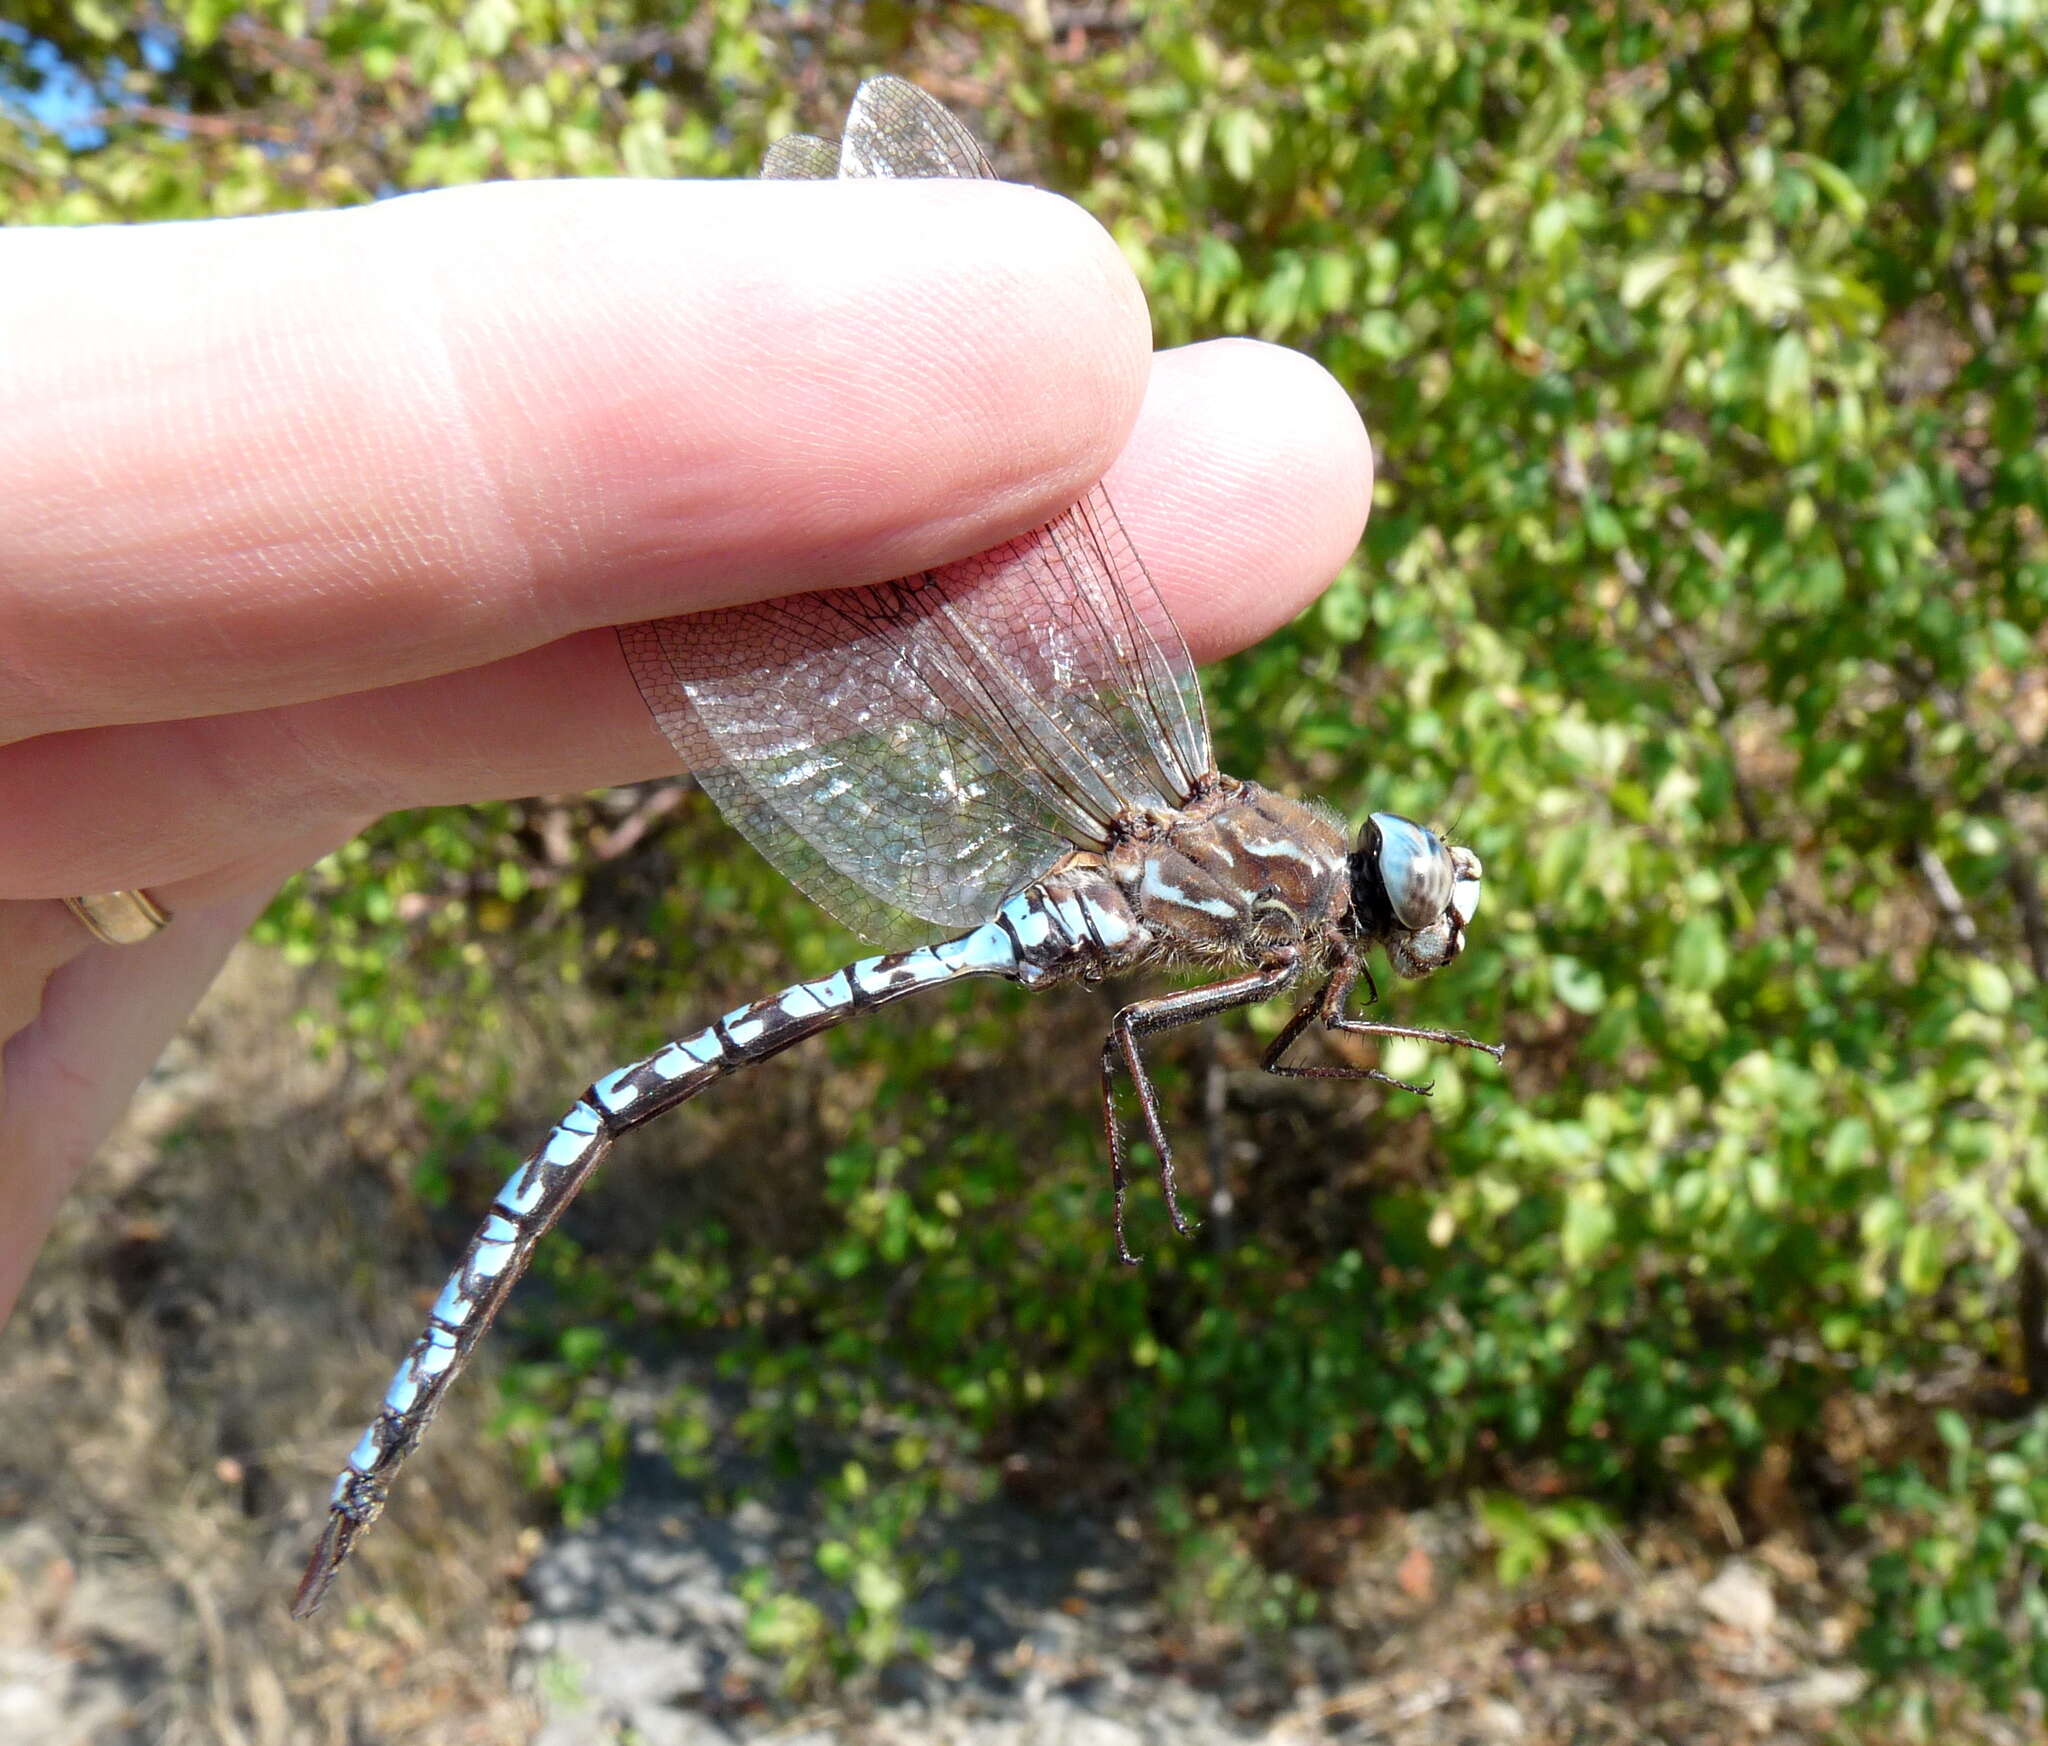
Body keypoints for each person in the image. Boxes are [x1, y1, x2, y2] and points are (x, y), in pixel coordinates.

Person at [0, 171, 1375, 1325]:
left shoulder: (1284, 914)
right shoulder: (1262, 878)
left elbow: (1254, 1022)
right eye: (1385, 895)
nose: (1374, 912)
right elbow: (1161, 1025)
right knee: (609, 1108)